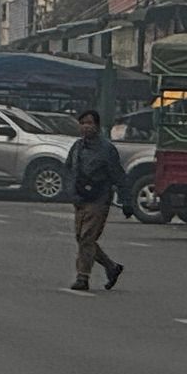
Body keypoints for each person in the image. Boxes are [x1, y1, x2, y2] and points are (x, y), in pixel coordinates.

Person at [67, 109, 133, 292]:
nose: (86, 127)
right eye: (82, 123)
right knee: (81, 238)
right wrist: (71, 191)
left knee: (87, 237)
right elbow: (69, 169)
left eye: (89, 123)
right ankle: (112, 267)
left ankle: (82, 277)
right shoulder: (77, 147)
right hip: (80, 198)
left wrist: (127, 201)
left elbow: (118, 175)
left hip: (99, 198)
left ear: (97, 126)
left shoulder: (106, 149)